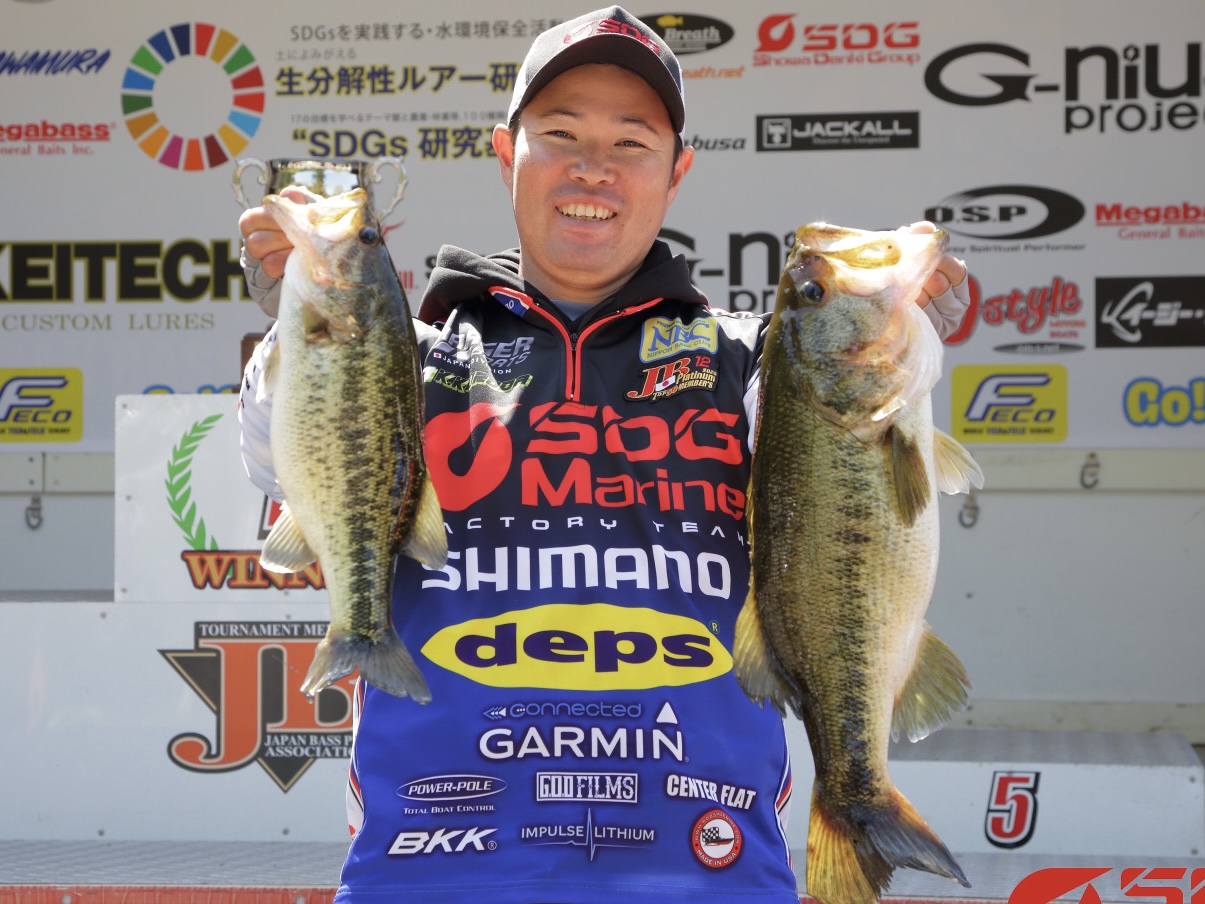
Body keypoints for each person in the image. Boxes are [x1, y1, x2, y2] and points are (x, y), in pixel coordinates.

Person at [237, 7, 971, 902]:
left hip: (705, 876)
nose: (594, 167)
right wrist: (298, 336)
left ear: (677, 172)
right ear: (506, 154)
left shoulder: (753, 361)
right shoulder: (411, 353)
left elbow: (853, 498)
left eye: (631, 142)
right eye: (560, 135)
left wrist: (899, 329)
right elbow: (278, 462)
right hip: (434, 871)